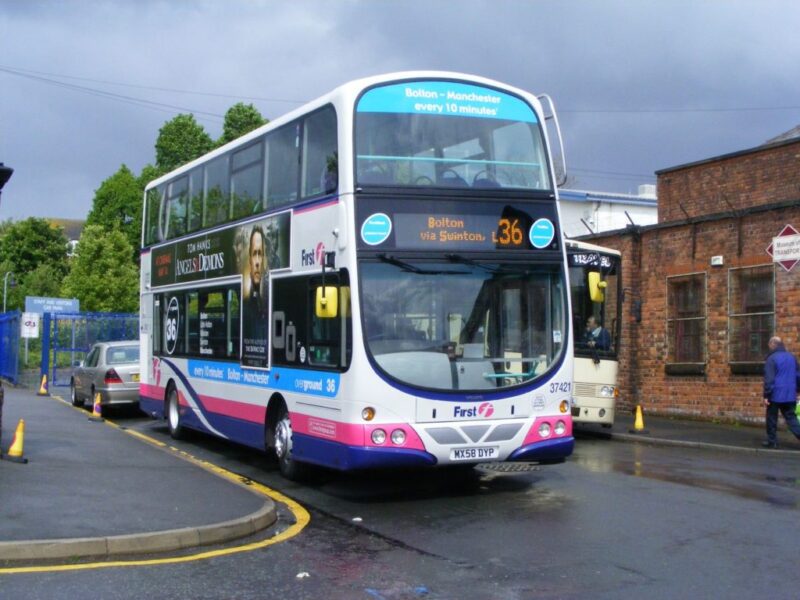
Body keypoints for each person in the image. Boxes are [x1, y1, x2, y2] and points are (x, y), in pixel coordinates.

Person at [761, 336, 800, 448]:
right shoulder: (791, 357)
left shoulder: (771, 358)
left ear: (773, 344)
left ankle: (772, 441)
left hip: (775, 395)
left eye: (769, 345)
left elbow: (769, 379)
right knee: (791, 418)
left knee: (771, 418)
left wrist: (766, 395)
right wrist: (798, 390)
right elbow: (798, 375)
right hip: (790, 395)